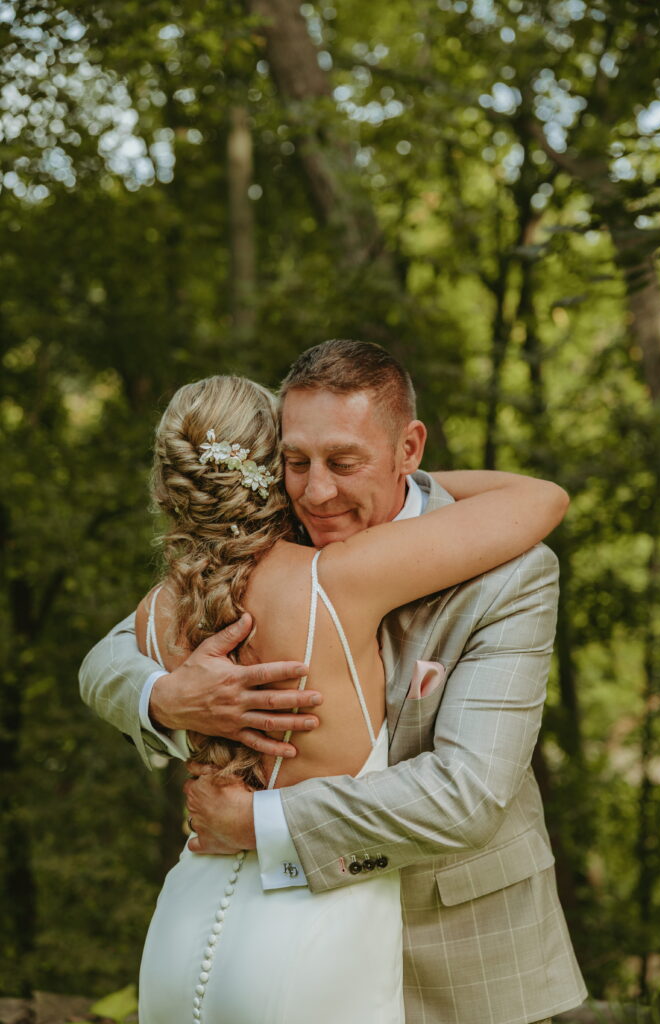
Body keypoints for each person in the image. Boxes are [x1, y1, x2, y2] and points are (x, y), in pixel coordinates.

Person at [79, 340, 588, 1024]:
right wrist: (164, 697)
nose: (316, 491)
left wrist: (258, 822)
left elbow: (467, 793)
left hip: (461, 960)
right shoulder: (269, 536)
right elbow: (107, 661)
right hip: (289, 938)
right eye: (296, 462)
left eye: (344, 463)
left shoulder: (511, 571)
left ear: (409, 448)